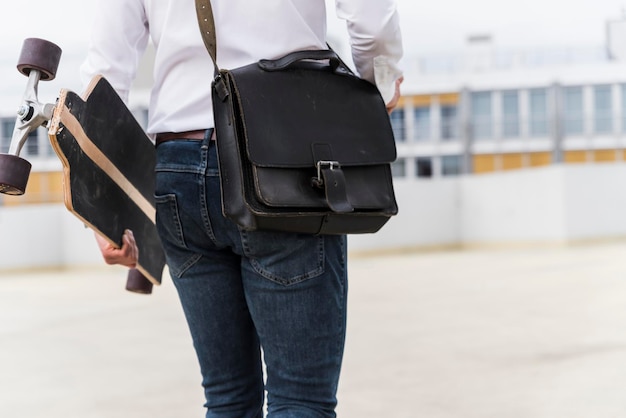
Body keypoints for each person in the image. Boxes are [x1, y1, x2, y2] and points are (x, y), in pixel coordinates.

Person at [84, 0, 403, 416]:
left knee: (228, 398)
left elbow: (105, 71)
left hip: (176, 168)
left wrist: (102, 208)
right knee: (300, 399)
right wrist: (381, 78)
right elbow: (370, 22)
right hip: (280, 160)